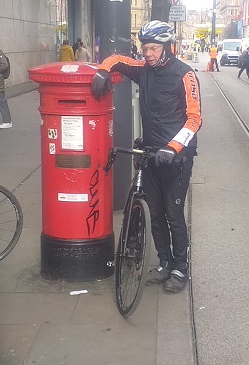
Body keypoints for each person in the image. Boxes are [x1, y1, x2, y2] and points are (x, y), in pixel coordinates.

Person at [91, 20, 202, 293]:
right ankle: (164, 262)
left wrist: (173, 148)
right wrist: (103, 71)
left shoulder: (185, 75)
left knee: (173, 213)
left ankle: (180, 268)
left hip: (176, 157)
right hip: (151, 152)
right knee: (155, 213)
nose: (148, 54)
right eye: (145, 48)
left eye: (154, 48)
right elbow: (118, 59)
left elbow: (195, 119)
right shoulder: (144, 69)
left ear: (167, 47)